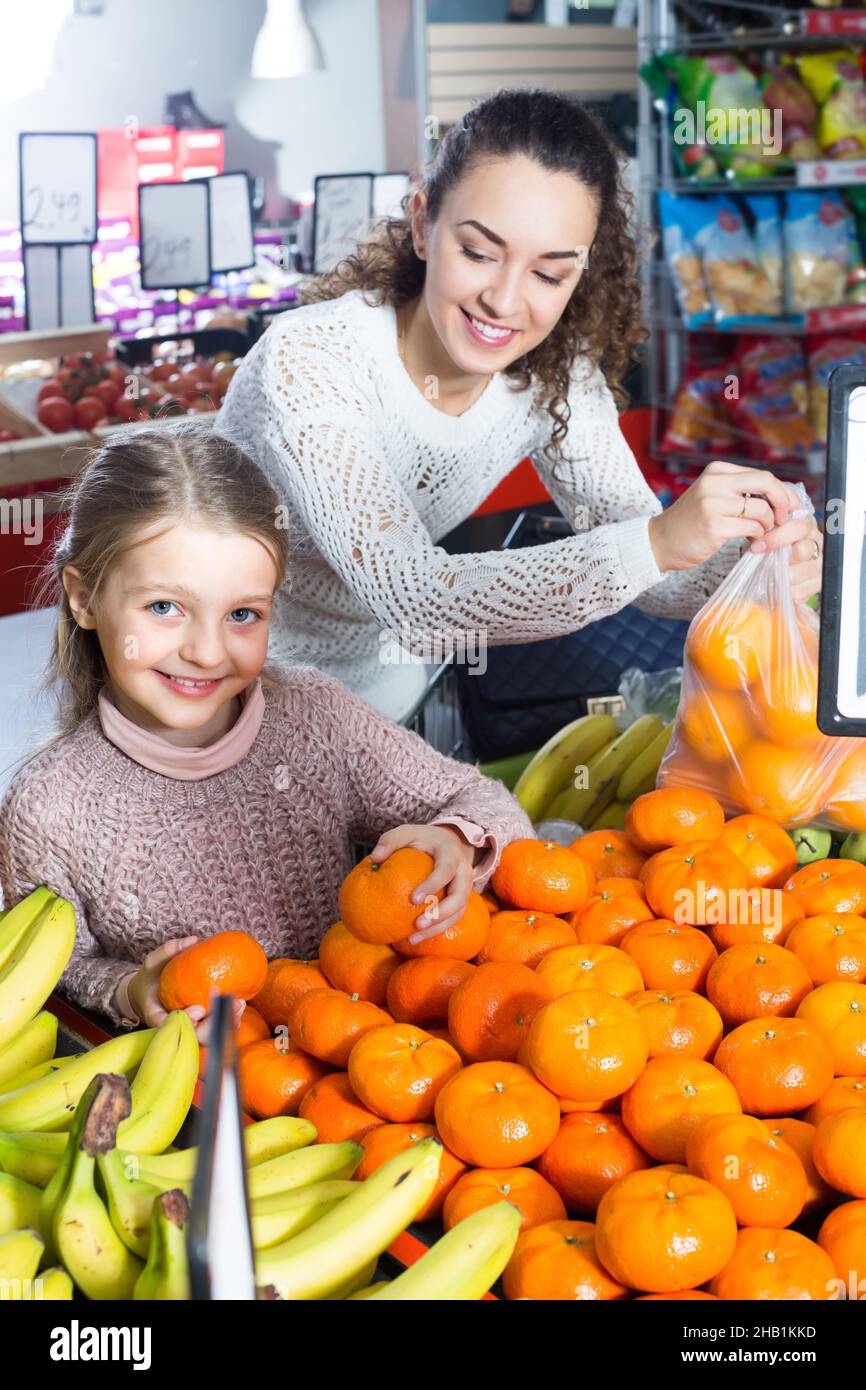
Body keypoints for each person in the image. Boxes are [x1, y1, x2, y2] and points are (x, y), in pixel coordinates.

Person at [217, 87, 823, 721]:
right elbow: (417, 602)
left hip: (383, 704)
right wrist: (660, 539)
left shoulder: (557, 375)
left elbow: (656, 572)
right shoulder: (313, 357)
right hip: (222, 701)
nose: (504, 302)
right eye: (478, 253)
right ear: (424, 224)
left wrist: (760, 555)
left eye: (549, 273)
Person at [0, 424, 531, 1039]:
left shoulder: (313, 718)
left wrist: (457, 838)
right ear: (85, 599)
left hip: (364, 1063)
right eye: (165, 607)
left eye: (242, 614)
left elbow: (486, 800)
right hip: (209, 1100)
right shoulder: (49, 806)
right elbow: (49, 970)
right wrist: (129, 988)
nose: (205, 651)